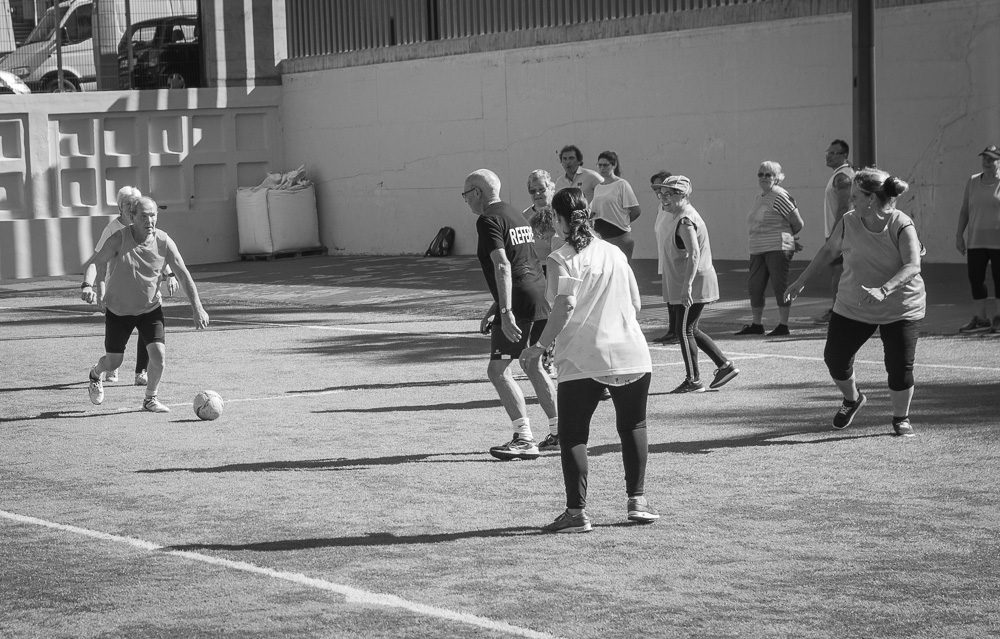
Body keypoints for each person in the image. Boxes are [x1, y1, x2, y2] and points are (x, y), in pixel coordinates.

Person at [520, 187, 657, 533]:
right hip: (632, 352)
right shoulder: (615, 253)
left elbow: (563, 306)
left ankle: (576, 512)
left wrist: (539, 346)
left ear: (559, 220)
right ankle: (637, 502)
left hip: (585, 356)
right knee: (633, 427)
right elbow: (637, 305)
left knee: (574, 434)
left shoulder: (561, 257)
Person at [785, 167, 925, 437]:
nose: (851, 202)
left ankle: (900, 418)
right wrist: (800, 281)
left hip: (901, 307)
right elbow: (828, 251)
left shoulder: (901, 223)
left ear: (871, 198)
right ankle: (852, 398)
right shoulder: (849, 221)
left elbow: (912, 266)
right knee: (835, 358)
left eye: (855, 196)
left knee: (899, 366)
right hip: (853, 304)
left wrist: (884, 290)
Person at [80, 196, 210, 413]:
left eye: (153, 216)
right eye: (144, 216)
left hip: (150, 309)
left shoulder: (164, 241)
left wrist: (198, 308)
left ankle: (150, 398)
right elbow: (96, 263)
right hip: (118, 311)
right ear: (132, 217)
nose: (149, 221)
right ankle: (95, 373)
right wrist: (87, 285)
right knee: (113, 363)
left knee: (158, 357)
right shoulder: (118, 239)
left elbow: (183, 275)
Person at [463, 169, 559, 459]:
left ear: (478, 193)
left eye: (466, 195)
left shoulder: (488, 220)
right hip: (539, 297)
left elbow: (504, 265)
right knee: (533, 364)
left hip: (519, 303)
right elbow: (525, 262)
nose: (465, 201)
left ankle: (524, 437)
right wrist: (496, 306)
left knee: (498, 370)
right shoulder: (516, 214)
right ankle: (559, 432)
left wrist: (506, 311)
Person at [654, 175, 739, 393]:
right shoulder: (677, 216)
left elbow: (693, 254)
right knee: (691, 329)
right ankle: (724, 365)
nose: (663, 199)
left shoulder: (685, 220)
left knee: (684, 331)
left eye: (669, 194)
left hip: (694, 282)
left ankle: (693, 380)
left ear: (682, 195)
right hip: (689, 281)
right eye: (661, 194)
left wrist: (687, 287)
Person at [92, 186, 177, 386]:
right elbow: (98, 261)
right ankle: (107, 368)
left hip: (148, 298)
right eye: (128, 204)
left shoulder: (154, 233)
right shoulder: (114, 232)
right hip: (119, 296)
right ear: (122, 208)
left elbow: (155, 257)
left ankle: (142, 374)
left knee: (152, 341)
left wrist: (170, 274)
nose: (132, 207)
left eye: (135, 203)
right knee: (115, 356)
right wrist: (97, 287)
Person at [736, 160, 805, 337]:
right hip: (757, 248)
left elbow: (798, 223)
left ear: (777, 178)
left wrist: (787, 237)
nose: (764, 177)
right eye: (761, 174)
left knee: (780, 286)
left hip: (778, 247)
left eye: (769, 174)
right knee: (755, 286)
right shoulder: (760, 196)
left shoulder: (780, 195)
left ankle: (783, 325)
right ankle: (757, 324)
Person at [955, 144, 1000, 333]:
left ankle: (999, 319)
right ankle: (981, 319)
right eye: (984, 158)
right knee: (976, 279)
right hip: (976, 241)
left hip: (998, 242)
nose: (987, 162)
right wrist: (959, 235)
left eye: (991, 159)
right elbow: (965, 210)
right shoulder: (973, 181)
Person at [813, 139, 855, 324]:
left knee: (838, 272)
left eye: (833, 153)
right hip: (841, 232)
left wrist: (835, 235)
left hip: (842, 233)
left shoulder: (843, 177)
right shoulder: (841, 174)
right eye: (827, 152)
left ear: (844, 156)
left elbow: (844, 207)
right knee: (839, 271)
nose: (828, 156)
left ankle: (838, 312)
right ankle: (841, 310)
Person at [590, 150, 641, 260]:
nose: (602, 168)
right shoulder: (598, 187)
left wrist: (621, 221)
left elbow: (636, 211)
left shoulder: (622, 184)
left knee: (621, 271)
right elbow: (594, 211)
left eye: (606, 165)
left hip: (619, 236)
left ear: (614, 165)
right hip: (601, 237)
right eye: (600, 165)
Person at [651, 170, 678, 344]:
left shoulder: (674, 206)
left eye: (659, 186)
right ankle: (672, 330)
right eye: (654, 188)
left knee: (676, 297)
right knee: (669, 297)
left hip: (675, 258)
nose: (657, 191)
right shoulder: (661, 206)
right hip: (665, 257)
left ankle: (678, 331)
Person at [523, 169, 563, 270]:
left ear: (551, 189)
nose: (537, 194)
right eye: (532, 191)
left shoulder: (561, 211)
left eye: (541, 189)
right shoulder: (525, 216)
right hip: (536, 267)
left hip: (560, 264)